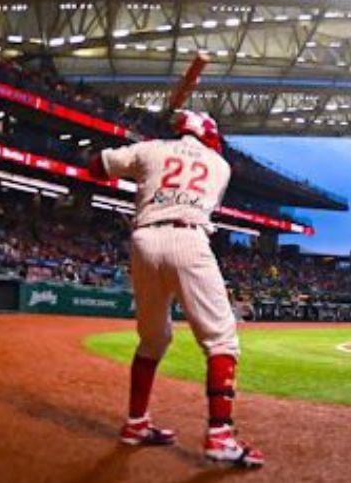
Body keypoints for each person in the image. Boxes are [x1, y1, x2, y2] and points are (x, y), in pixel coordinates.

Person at [90, 110, 263, 468]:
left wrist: (141, 146)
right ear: (209, 137)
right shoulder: (220, 166)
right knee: (221, 341)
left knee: (153, 339)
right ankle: (220, 435)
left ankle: (135, 423)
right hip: (188, 238)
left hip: (144, 240)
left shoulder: (151, 147)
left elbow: (96, 166)